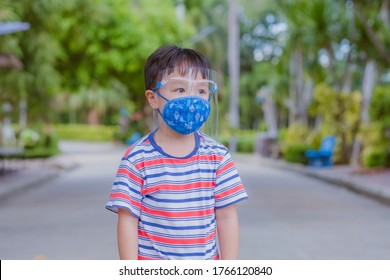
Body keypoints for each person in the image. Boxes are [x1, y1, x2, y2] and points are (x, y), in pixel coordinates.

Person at [106, 44, 248, 260]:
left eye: (201, 90)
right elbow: (127, 220)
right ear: (153, 98)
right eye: (180, 90)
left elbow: (227, 217)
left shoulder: (218, 157)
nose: (192, 100)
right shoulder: (137, 159)